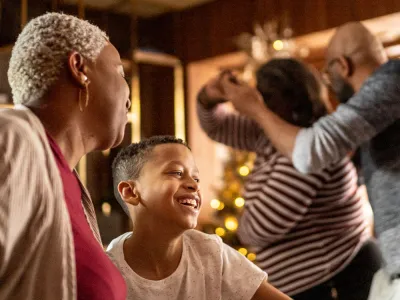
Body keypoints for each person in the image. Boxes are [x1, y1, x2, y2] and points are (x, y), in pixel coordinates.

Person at [213, 22, 400, 300]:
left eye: (329, 70)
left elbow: (311, 152)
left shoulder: (390, 81)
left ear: (343, 66)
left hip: (335, 282)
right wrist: (209, 97)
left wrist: (255, 109)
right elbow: (219, 127)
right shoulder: (276, 139)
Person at [0, 13, 131, 299]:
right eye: (120, 73)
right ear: (79, 68)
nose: (128, 97)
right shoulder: (11, 139)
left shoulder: (67, 181)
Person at [107, 135, 292, 300]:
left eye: (196, 179)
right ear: (130, 192)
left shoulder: (211, 253)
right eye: (176, 173)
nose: (193, 185)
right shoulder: (108, 270)